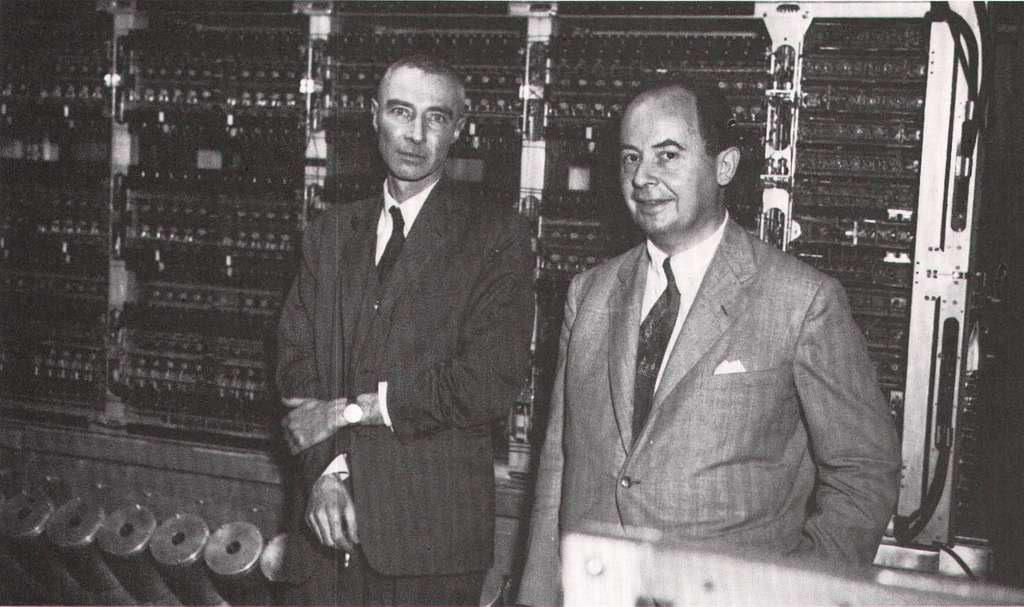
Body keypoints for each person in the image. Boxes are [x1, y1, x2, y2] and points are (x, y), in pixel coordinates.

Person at [517, 81, 901, 604]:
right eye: (630, 158)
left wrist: (798, 593)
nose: (642, 177)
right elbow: (559, 465)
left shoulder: (801, 301)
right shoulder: (589, 293)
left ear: (724, 166)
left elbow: (864, 473)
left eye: (667, 156)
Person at [276, 54, 533, 606]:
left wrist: (351, 411)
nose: (415, 135)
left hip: (430, 545)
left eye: (436, 118)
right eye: (401, 111)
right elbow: (295, 370)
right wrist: (324, 472)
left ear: (458, 129)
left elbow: (485, 384)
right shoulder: (329, 234)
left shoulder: (496, 236)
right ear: (375, 117)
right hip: (323, 534)